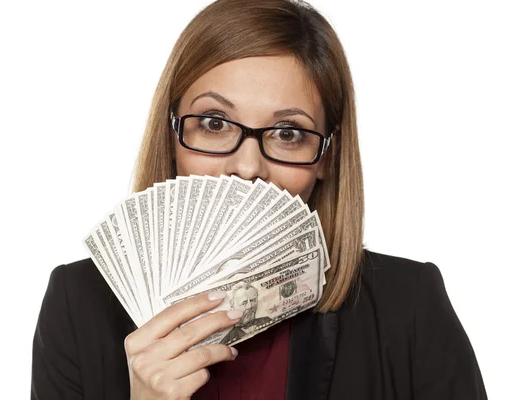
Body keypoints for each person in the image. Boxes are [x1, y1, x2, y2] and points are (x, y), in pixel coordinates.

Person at [31, 0, 487, 399]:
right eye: (214, 123)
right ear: (173, 135)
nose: (247, 167)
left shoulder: (407, 306)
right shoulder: (80, 304)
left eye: (288, 133)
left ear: (326, 156)